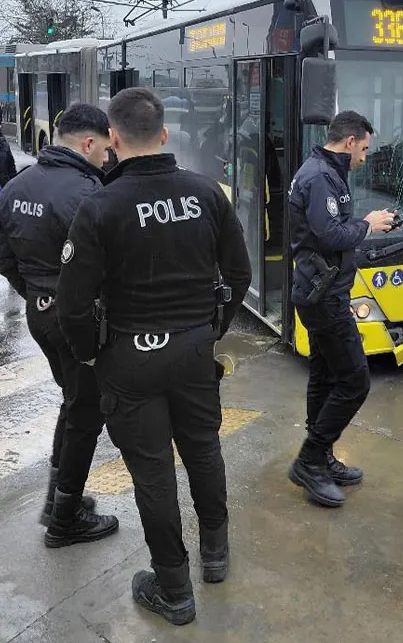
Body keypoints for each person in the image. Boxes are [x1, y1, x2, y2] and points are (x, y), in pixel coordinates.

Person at [56, 87, 252, 626]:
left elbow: (73, 305)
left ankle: (173, 589)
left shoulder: (99, 206)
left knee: (152, 473)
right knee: (203, 450)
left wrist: (91, 355)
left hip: (128, 356)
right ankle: (216, 556)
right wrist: (212, 329)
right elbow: (239, 276)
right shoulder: (206, 193)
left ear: (113, 139)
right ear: (164, 134)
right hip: (193, 349)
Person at [0, 104, 118, 545]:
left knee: (73, 402)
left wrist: (34, 289)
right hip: (78, 319)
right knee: (86, 412)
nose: (107, 159)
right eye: (105, 150)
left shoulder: (17, 185)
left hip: (39, 314)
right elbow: (109, 268)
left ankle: (59, 499)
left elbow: (3, 254)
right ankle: (65, 519)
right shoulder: (88, 195)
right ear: (88, 143)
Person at [285, 110, 395, 508]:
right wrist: (368, 225)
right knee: (355, 381)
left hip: (321, 291)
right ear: (350, 142)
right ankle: (310, 460)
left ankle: (322, 456)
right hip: (324, 297)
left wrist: (365, 226)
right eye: (364, 148)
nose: (365, 156)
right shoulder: (319, 177)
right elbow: (329, 234)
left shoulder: (324, 171)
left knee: (326, 376)